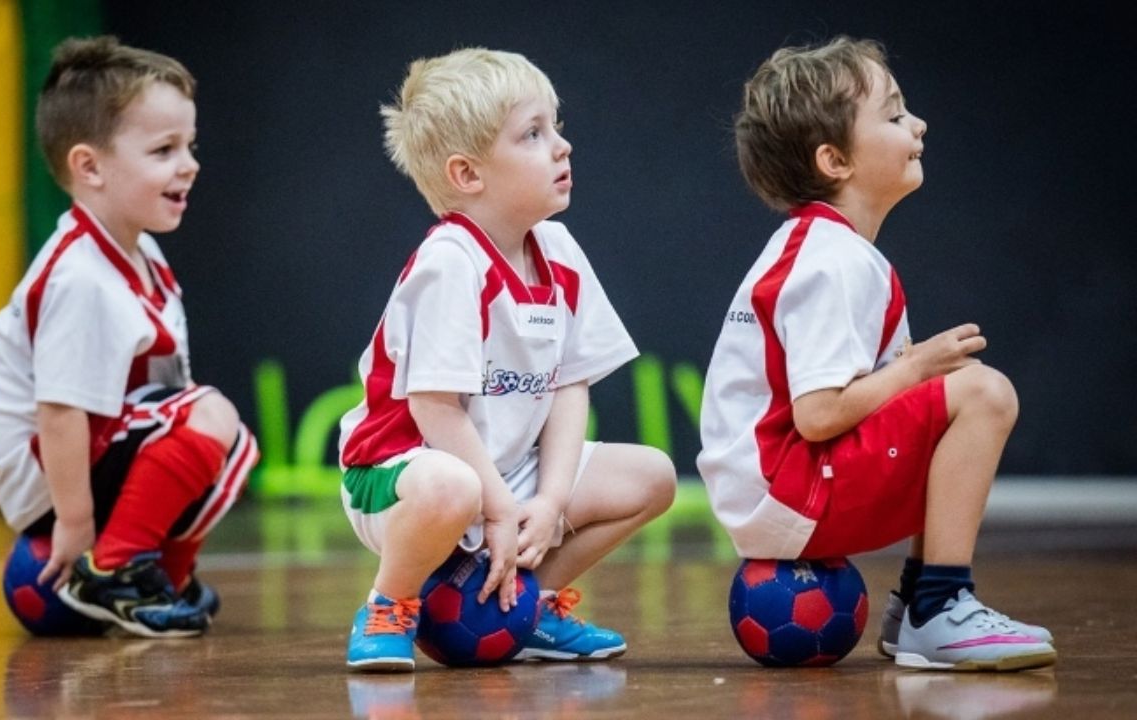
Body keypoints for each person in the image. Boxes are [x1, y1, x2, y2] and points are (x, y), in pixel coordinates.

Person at [697, 36, 1055, 671]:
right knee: (982, 393)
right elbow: (818, 416)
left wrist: (912, 376)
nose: (917, 125)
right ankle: (938, 607)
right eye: (893, 115)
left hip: (783, 489)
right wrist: (915, 368)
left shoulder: (833, 250)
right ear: (835, 160)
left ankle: (920, 602)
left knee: (955, 392)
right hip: (789, 491)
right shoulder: (829, 260)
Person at [338, 47, 677, 672]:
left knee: (652, 476)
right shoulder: (450, 261)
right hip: (400, 476)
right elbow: (435, 411)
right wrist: (496, 506)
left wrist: (548, 502)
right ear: (468, 174)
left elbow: (570, 387)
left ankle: (530, 603)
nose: (562, 146)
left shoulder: (559, 248)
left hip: (503, 470)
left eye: (557, 126)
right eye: (533, 133)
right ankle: (389, 605)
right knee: (452, 485)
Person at [0, 36, 258, 639]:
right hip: (50, 474)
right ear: (89, 167)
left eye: (190, 145)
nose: (188, 164)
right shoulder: (81, 277)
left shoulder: (141, 253)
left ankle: (163, 577)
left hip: (97, 445)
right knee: (211, 416)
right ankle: (111, 568)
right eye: (163, 150)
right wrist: (77, 526)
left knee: (231, 440)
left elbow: (164, 388)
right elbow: (57, 410)